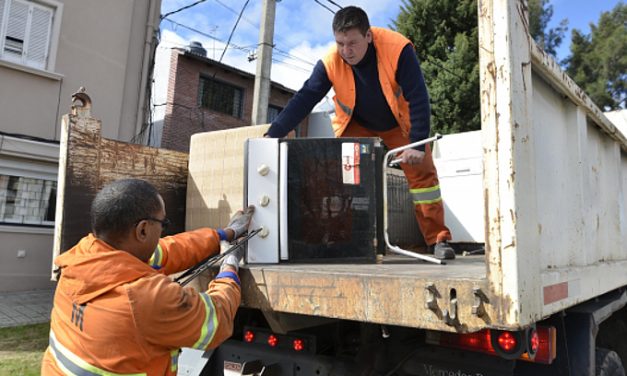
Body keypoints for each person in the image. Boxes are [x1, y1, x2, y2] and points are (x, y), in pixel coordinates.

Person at [265, 6, 455, 260]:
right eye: (340, 43)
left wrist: (418, 145)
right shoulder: (330, 62)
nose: (346, 51)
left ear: (368, 36)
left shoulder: (398, 48)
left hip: (399, 124)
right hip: (356, 125)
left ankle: (437, 239)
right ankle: (349, 242)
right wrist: (273, 133)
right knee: (348, 181)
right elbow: (305, 97)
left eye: (352, 42)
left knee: (423, 178)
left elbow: (418, 97)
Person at [41, 178, 255, 375]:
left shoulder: (82, 257)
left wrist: (223, 234)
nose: (163, 231)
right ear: (143, 230)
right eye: (163, 224)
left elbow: (170, 250)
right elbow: (215, 320)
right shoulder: (144, 299)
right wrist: (230, 265)